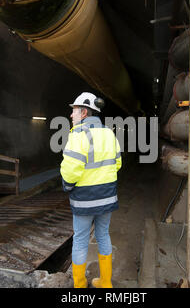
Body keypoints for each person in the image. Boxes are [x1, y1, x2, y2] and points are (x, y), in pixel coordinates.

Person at [60, 92, 122, 288]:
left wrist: (67, 186)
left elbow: (71, 171)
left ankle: (79, 286)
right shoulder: (109, 133)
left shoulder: (78, 135)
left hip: (84, 200)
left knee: (80, 240)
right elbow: (117, 163)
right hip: (107, 198)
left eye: (74, 111)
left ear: (84, 112)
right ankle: (105, 283)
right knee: (103, 236)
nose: (71, 115)